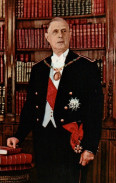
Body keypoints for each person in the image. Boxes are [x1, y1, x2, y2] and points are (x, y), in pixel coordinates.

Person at [7, 17, 103, 183]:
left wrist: (90, 147)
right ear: (47, 37)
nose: (60, 35)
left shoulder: (86, 67)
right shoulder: (39, 69)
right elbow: (30, 107)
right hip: (42, 140)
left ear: (70, 35)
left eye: (64, 31)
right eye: (55, 32)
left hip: (70, 143)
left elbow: (95, 112)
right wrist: (18, 136)